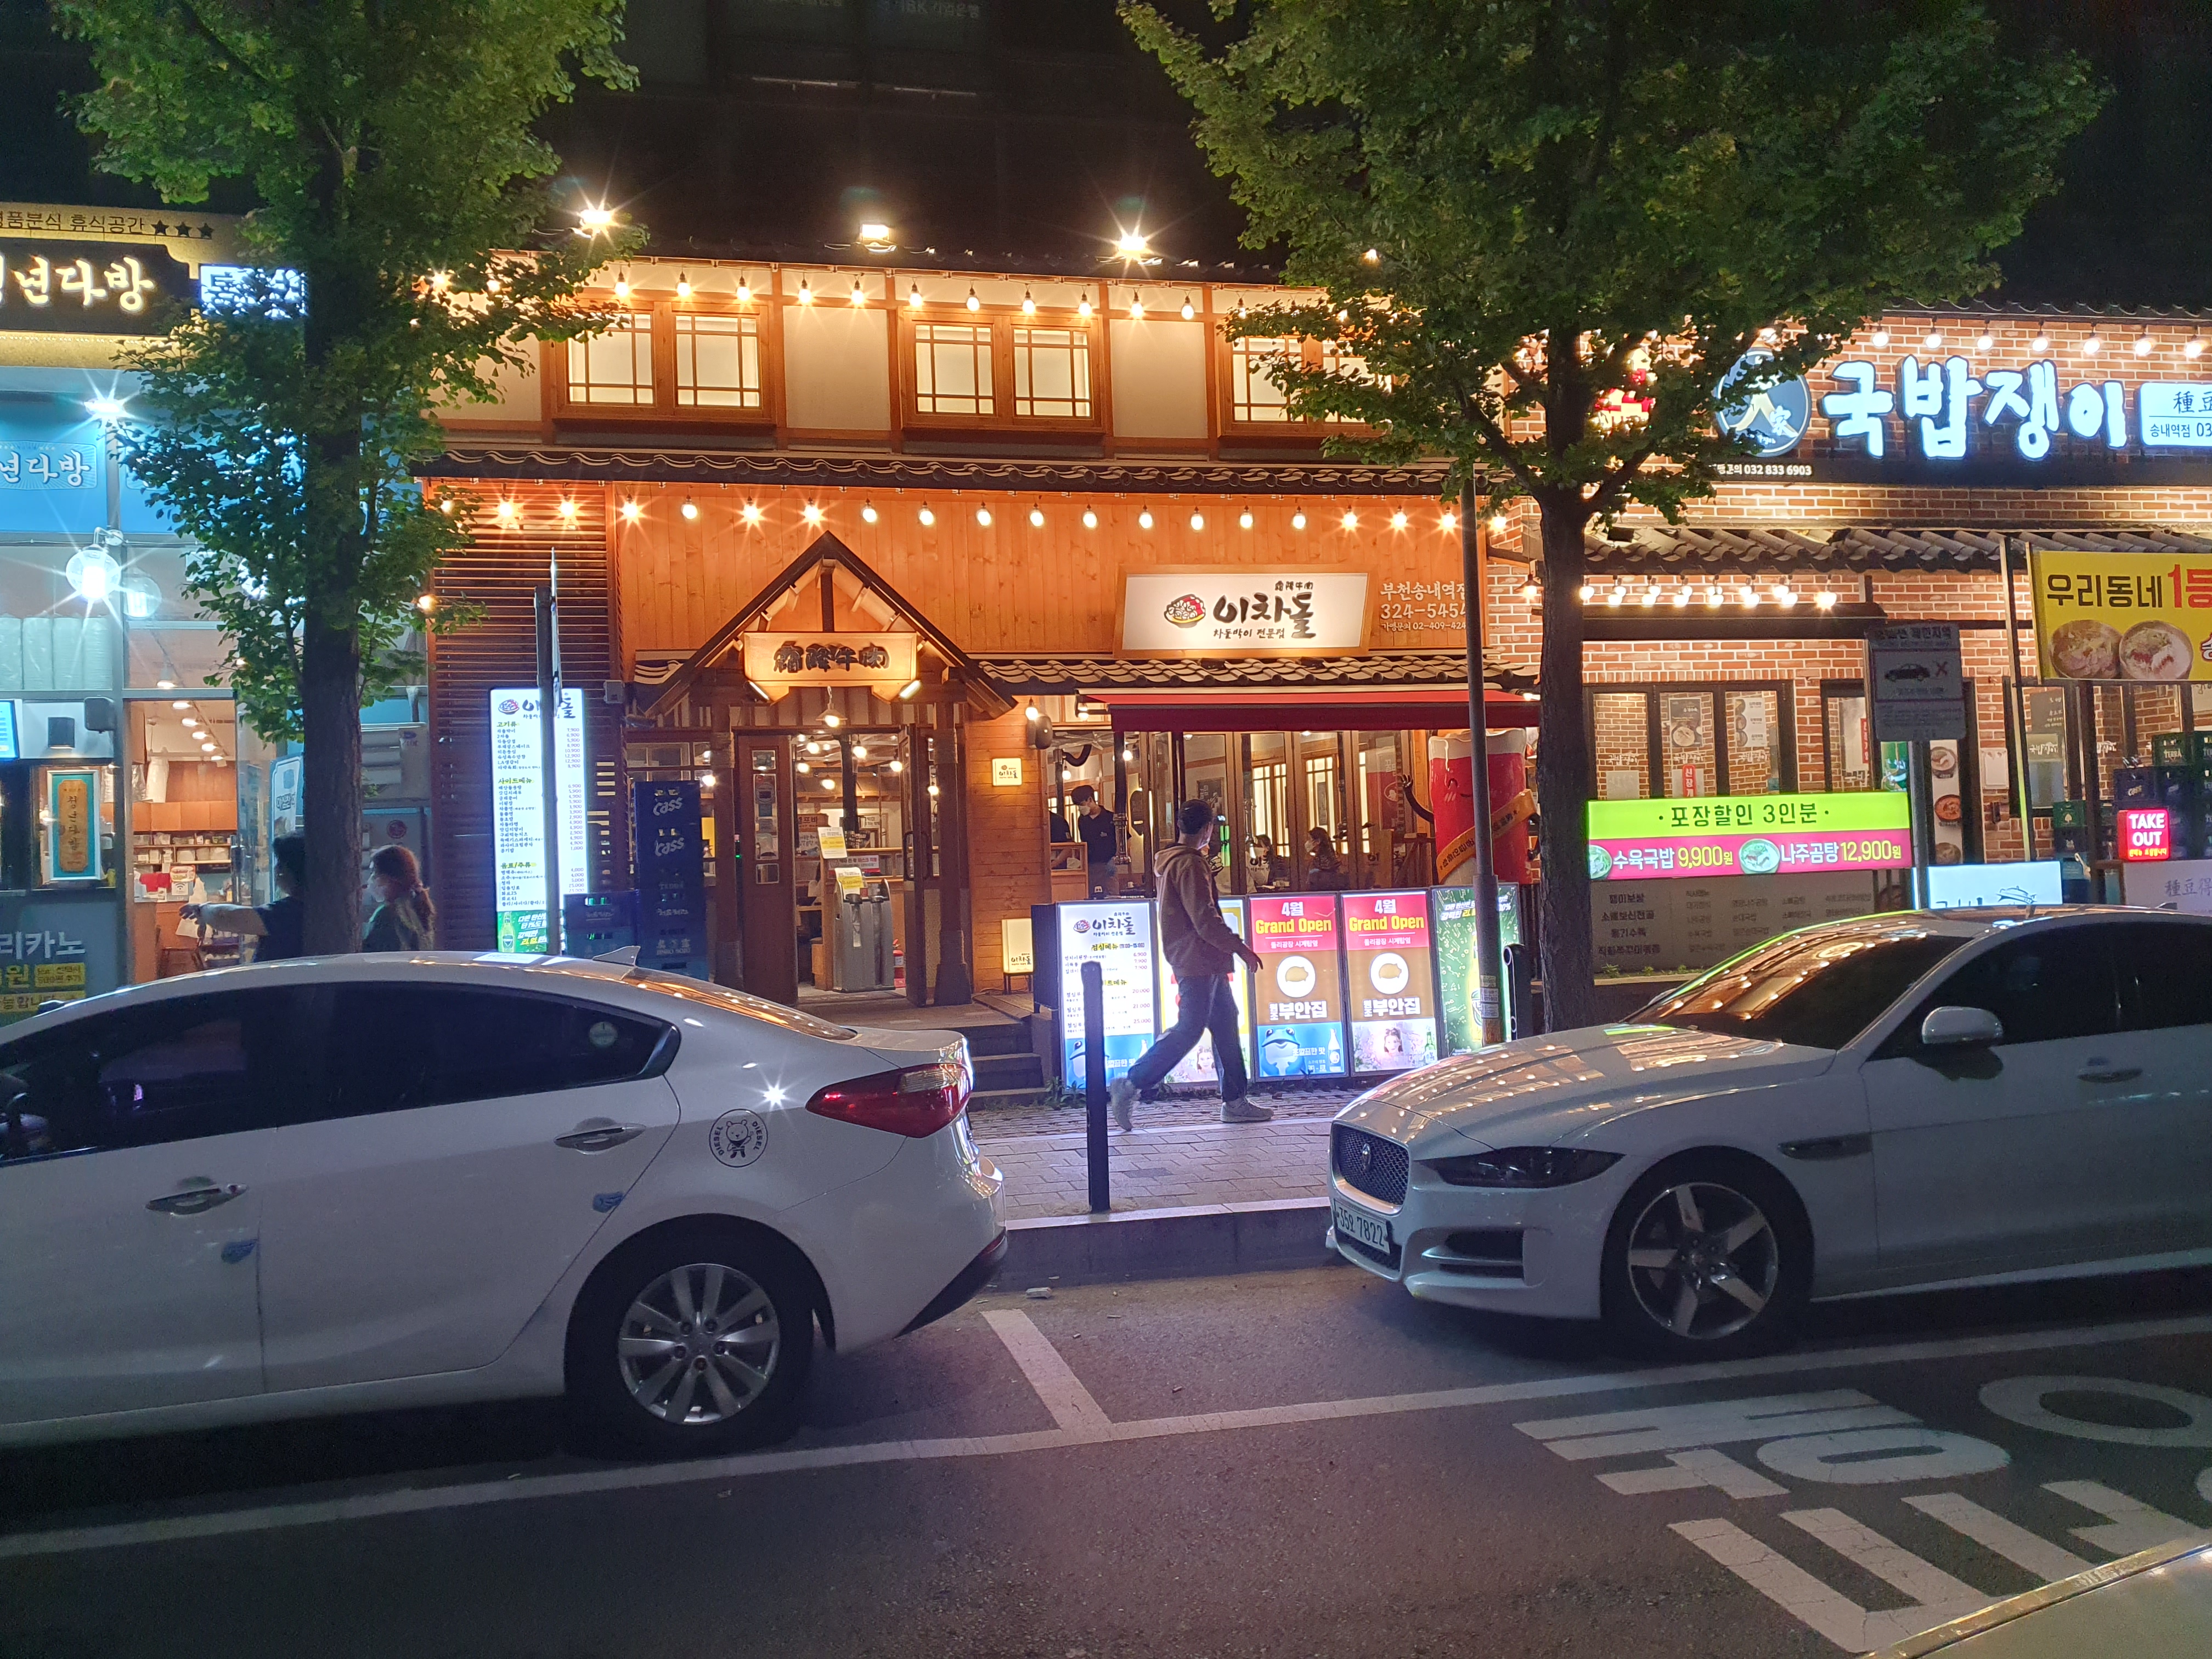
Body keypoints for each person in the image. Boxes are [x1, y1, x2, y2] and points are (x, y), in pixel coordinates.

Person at [1109, 799, 1270, 1128]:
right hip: (1199, 959)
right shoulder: (1191, 864)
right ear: (1208, 829)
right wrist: (1240, 948)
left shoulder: (1171, 861)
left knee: (1225, 1024)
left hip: (1198, 959)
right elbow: (1205, 919)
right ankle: (1132, 1083)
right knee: (1190, 1029)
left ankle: (1235, 1101)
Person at [184, 833, 307, 962]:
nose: (277, 870)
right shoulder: (314, 907)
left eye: (280, 864)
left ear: (291, 870)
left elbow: (226, 916)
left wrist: (202, 910)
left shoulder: (290, 911)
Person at [363, 844, 437, 951]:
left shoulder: (386, 915)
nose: (370, 880)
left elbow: (369, 954)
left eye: (374, 873)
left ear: (389, 878)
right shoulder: (416, 910)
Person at [1071, 783, 1118, 897]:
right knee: (1091, 897)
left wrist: (1115, 859)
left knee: (1111, 897)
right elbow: (1084, 843)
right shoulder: (1082, 820)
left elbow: (1126, 841)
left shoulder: (1111, 818)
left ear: (1090, 800)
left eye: (1081, 804)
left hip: (1108, 866)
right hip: (1090, 867)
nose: (1080, 808)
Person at [1306, 825, 1347, 889]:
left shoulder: (1315, 865)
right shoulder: (1337, 861)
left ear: (1318, 842)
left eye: (1309, 839)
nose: (1307, 843)